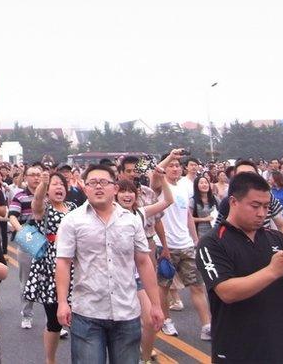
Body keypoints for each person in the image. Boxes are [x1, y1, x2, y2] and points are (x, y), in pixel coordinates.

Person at [196, 172, 283, 362]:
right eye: (255, 206)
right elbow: (226, 291)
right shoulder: (212, 242)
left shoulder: (275, 237)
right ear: (234, 202)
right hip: (239, 351)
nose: (262, 213)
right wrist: (272, 270)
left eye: (266, 206)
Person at [55, 164, 163, 364]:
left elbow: (143, 262)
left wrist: (155, 304)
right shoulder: (72, 221)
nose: (98, 187)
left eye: (104, 182)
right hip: (87, 312)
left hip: (126, 311)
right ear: (84, 188)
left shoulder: (131, 221)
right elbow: (63, 262)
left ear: (115, 188)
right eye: (92, 183)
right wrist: (62, 302)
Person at [150, 150, 211, 340]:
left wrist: (195, 240)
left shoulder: (185, 187)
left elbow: (187, 216)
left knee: (197, 286)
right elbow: (155, 173)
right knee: (164, 286)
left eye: (177, 165)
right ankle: (166, 321)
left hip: (185, 244)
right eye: (171, 165)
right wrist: (170, 156)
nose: (175, 168)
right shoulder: (160, 186)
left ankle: (207, 326)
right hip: (165, 245)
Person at [115, 174, 173, 364]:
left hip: (137, 275)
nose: (126, 195)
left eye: (130, 191)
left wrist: (162, 177)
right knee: (118, 327)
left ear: (136, 194)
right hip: (115, 277)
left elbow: (168, 201)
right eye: (122, 191)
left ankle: (145, 358)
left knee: (150, 321)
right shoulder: (107, 214)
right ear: (115, 194)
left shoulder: (140, 213)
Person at [23, 172, 77, 363]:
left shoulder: (73, 207)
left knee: (79, 320)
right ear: (48, 190)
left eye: (62, 184)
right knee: (54, 321)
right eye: (54, 184)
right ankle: (50, 360)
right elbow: (36, 202)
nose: (59, 187)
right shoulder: (43, 208)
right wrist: (43, 184)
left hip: (74, 265)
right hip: (50, 268)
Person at [9, 164, 42, 329]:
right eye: (33, 174)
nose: (36, 177)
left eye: (39, 174)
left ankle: (55, 320)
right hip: (28, 241)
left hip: (49, 240)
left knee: (53, 281)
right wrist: (23, 233)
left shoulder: (49, 195)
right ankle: (26, 314)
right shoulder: (20, 197)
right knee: (27, 280)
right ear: (26, 177)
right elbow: (12, 216)